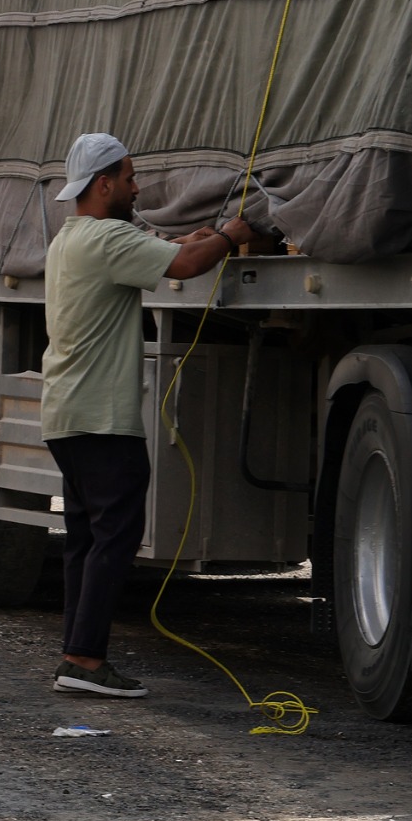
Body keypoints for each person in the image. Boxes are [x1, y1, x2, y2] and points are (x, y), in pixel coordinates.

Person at [40, 132, 255, 698]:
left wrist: (195, 238)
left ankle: (74, 656)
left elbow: (163, 248)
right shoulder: (108, 239)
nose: (138, 188)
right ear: (104, 184)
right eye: (131, 178)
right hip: (103, 419)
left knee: (86, 540)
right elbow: (182, 264)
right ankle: (86, 661)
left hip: (69, 413)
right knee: (115, 535)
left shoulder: (73, 237)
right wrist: (230, 235)